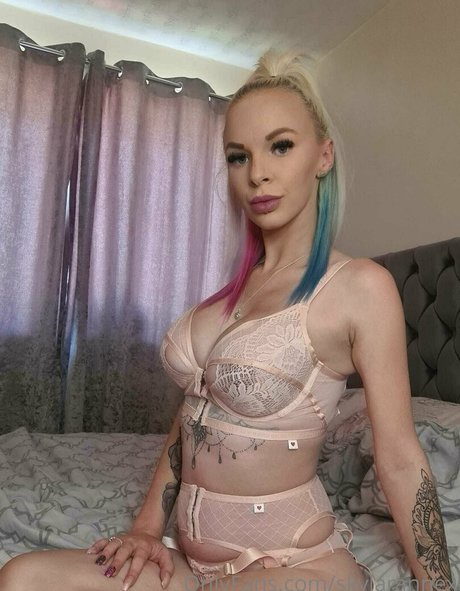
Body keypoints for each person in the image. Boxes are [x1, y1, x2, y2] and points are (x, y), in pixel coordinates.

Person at [0, 49, 452, 591]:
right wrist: (146, 529)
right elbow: (192, 419)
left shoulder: (359, 287)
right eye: (239, 156)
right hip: (192, 564)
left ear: (323, 156)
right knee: (22, 576)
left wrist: (438, 586)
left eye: (280, 146)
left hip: (293, 562)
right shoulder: (230, 295)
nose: (258, 173)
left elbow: (399, 458)